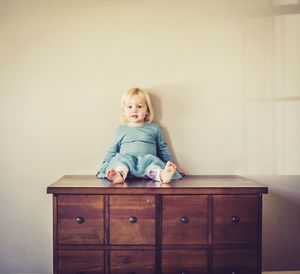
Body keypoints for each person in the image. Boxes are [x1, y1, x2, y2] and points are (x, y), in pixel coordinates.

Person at [96, 87, 182, 184]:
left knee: (154, 166)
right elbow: (112, 150)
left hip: (147, 161)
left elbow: (163, 149)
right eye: (130, 107)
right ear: (124, 110)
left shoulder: (154, 128)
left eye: (139, 106)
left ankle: (162, 175)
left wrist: (171, 165)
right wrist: (103, 167)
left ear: (147, 111)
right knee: (120, 162)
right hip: (127, 161)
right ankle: (118, 175)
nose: (134, 110)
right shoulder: (121, 129)